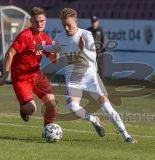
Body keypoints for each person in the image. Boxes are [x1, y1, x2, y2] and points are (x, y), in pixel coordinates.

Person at [36, 8, 137, 144]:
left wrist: (82, 49)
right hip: (73, 79)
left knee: (107, 107)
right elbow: (56, 48)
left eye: (69, 25)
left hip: (91, 78)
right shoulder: (60, 37)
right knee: (73, 107)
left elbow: (93, 56)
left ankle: (126, 136)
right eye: (64, 25)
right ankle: (93, 120)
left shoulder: (86, 35)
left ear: (76, 21)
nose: (66, 28)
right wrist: (41, 47)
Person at [0, 7, 58, 128]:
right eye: (36, 21)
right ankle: (23, 107)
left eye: (42, 21)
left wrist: (55, 49)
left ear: (45, 20)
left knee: (51, 104)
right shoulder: (25, 36)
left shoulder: (45, 38)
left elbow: (54, 61)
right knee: (31, 109)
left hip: (36, 75)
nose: (39, 24)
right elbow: (9, 54)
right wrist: (5, 75)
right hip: (21, 78)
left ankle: (48, 128)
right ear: (31, 21)